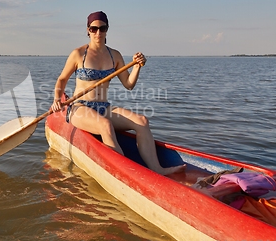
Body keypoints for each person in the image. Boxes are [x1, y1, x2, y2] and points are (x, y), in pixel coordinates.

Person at [50, 11, 185, 175]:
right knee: (104, 125)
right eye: (93, 29)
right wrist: (57, 99)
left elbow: (128, 85)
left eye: (102, 28)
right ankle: (124, 173)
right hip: (80, 108)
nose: (98, 32)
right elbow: (62, 80)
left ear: (107, 29)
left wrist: (137, 67)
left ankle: (157, 169)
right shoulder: (78, 54)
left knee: (142, 121)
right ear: (88, 30)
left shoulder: (115, 56)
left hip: (103, 107)